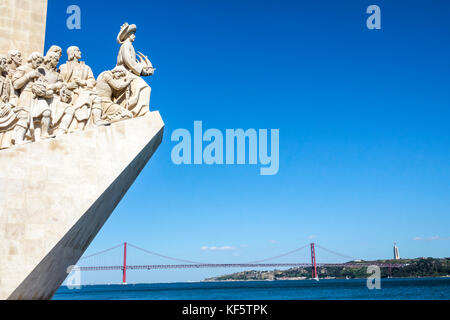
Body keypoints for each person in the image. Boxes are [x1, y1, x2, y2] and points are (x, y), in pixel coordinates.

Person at [59, 46, 108, 130]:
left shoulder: (86, 68)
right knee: (86, 99)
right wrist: (70, 85)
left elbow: (92, 81)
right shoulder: (63, 67)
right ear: (73, 53)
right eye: (78, 50)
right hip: (70, 94)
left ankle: (97, 120)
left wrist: (83, 82)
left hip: (85, 90)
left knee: (96, 98)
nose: (80, 52)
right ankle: (71, 127)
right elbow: (59, 82)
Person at [12, 52, 52, 144]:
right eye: (37, 62)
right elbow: (16, 84)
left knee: (46, 111)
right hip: (26, 94)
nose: (38, 65)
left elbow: (45, 85)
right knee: (24, 116)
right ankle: (19, 139)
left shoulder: (38, 72)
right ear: (32, 59)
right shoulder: (22, 69)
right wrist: (29, 75)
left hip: (38, 96)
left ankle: (44, 134)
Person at [116, 23, 154, 117]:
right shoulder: (126, 45)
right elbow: (128, 60)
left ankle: (138, 110)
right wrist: (142, 70)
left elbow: (133, 62)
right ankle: (139, 112)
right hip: (123, 72)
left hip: (129, 72)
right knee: (144, 87)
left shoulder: (130, 46)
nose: (134, 36)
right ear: (128, 35)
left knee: (143, 87)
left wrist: (143, 69)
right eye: (133, 34)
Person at [0, 54, 18, 149]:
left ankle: (6, 143)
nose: (5, 65)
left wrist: (10, 105)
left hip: (5, 108)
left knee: (22, 114)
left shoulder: (7, 80)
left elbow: (13, 96)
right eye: (3, 63)